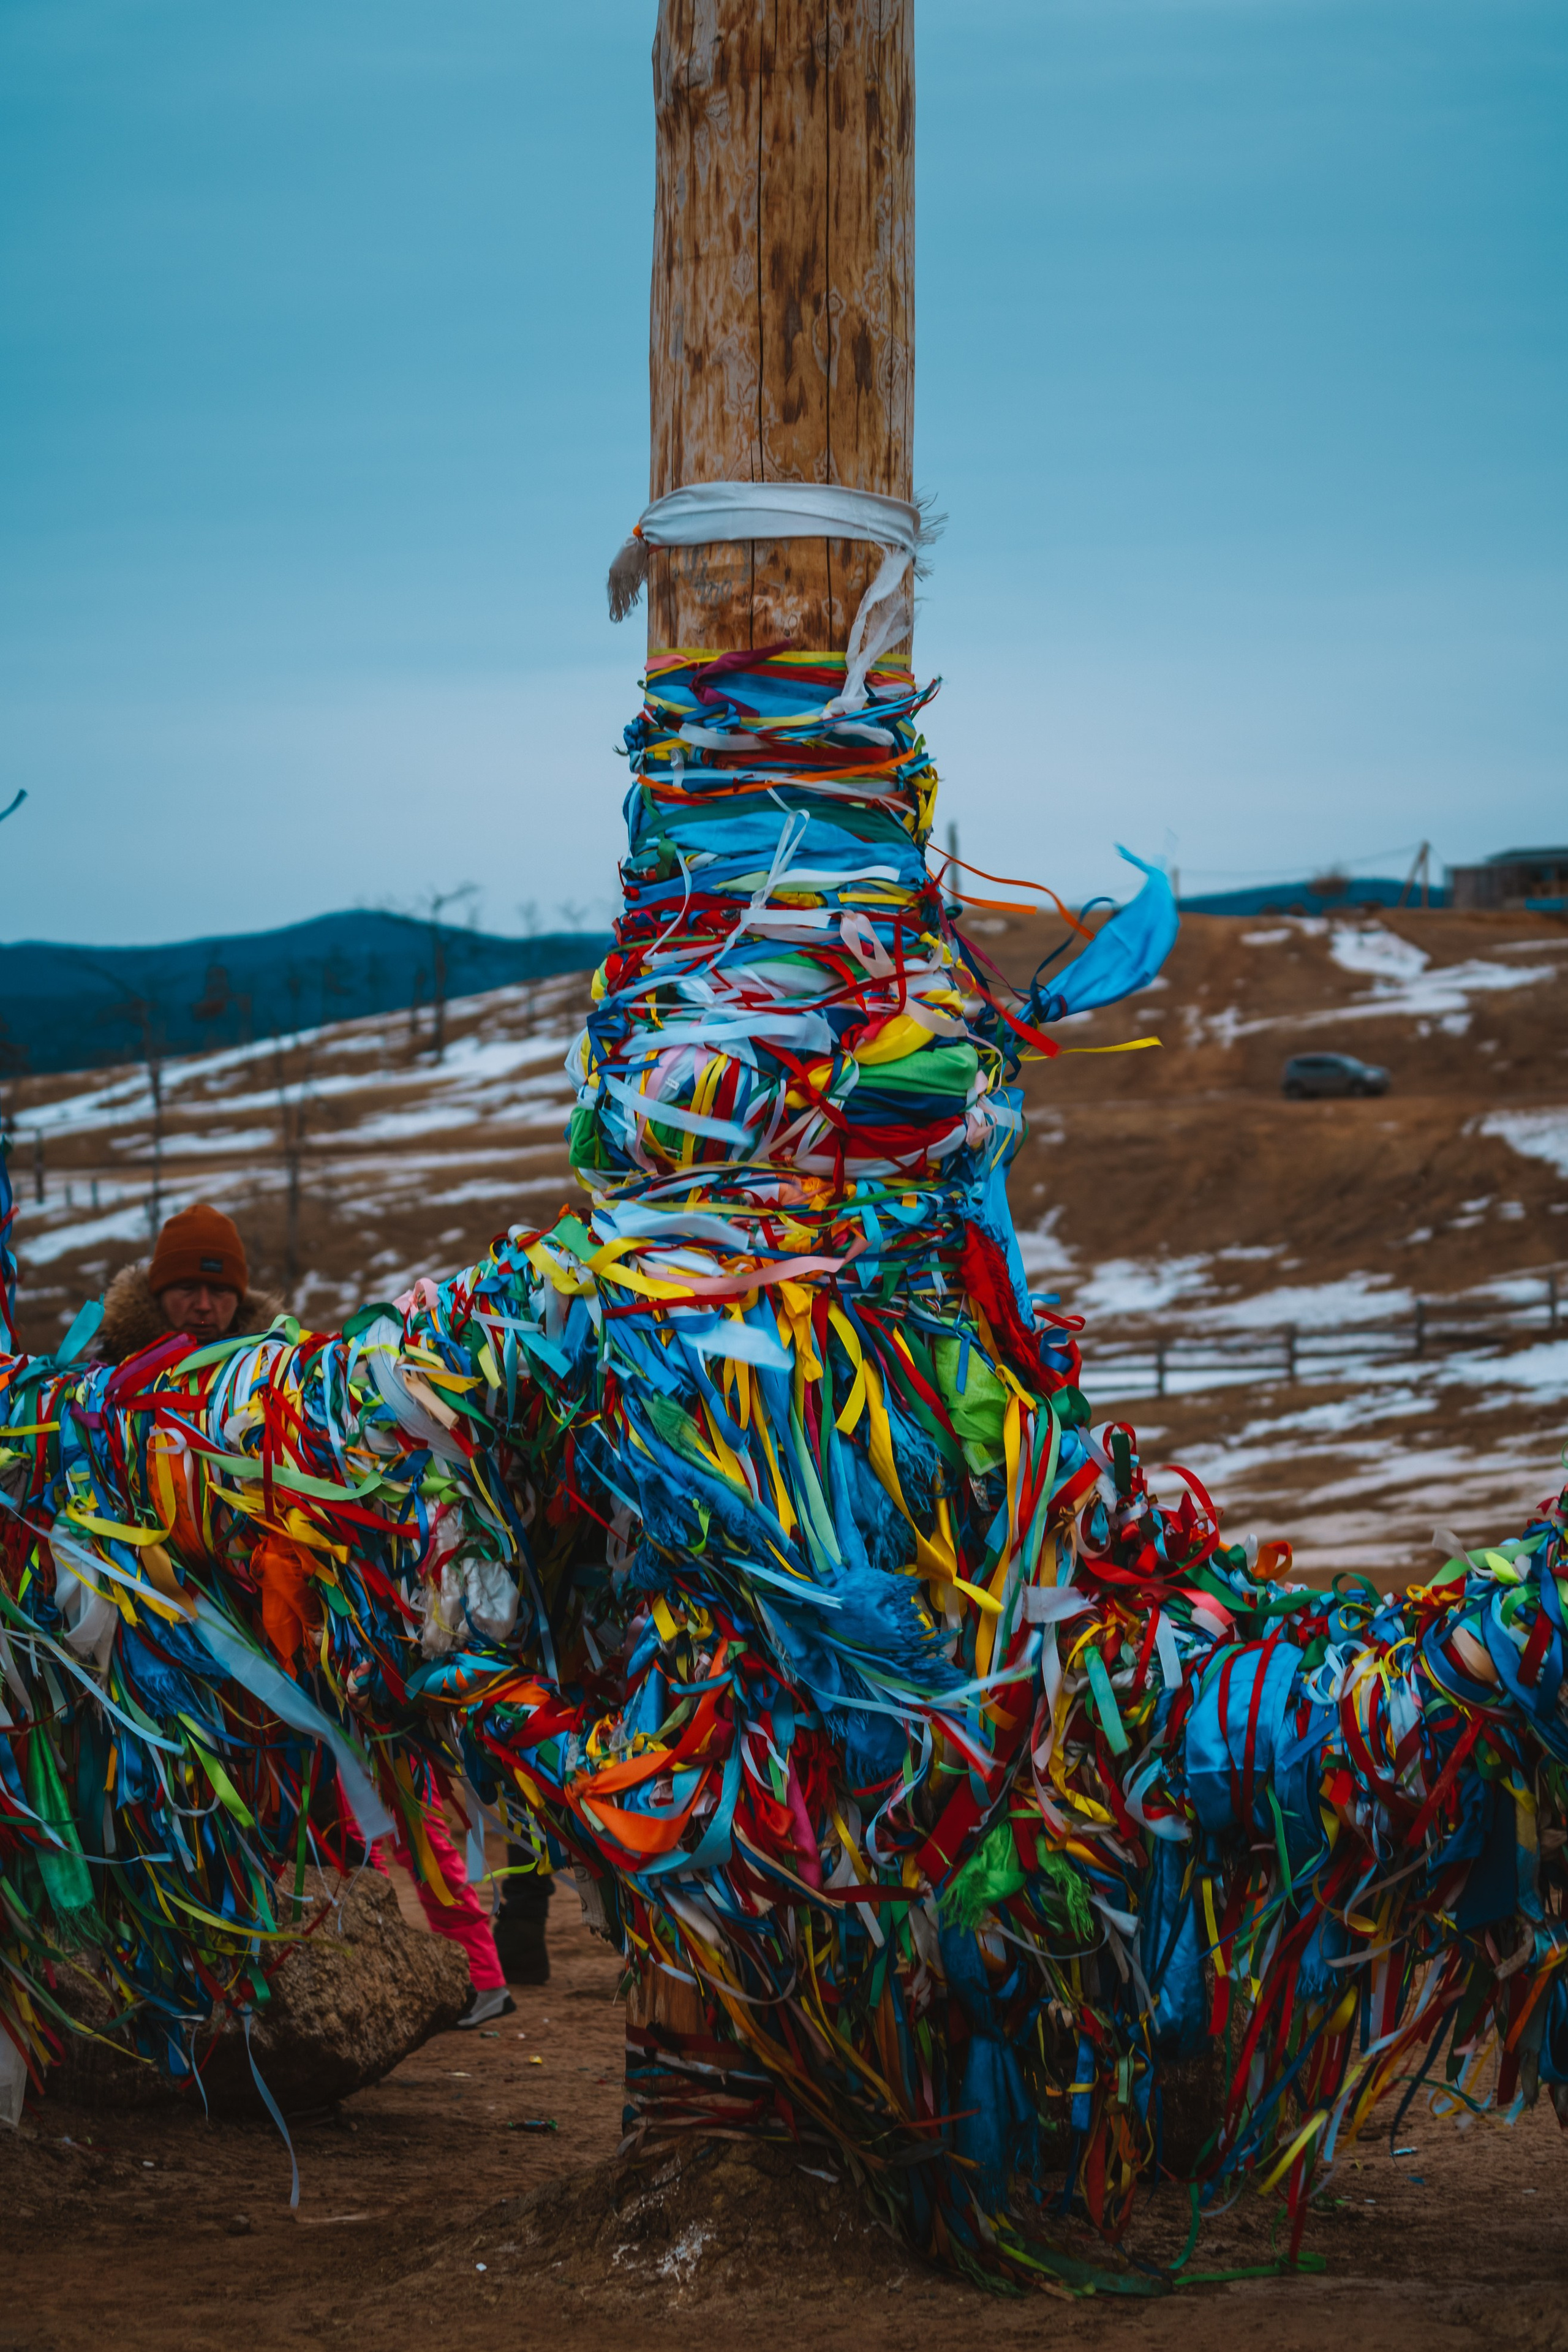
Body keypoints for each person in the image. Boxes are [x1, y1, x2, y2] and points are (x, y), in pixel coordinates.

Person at [97, 1201, 281, 1360]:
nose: (203, 1305)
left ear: (239, 1298)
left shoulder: (279, 1375)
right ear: (159, 1294)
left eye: (219, 1290)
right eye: (187, 1288)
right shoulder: (109, 1383)